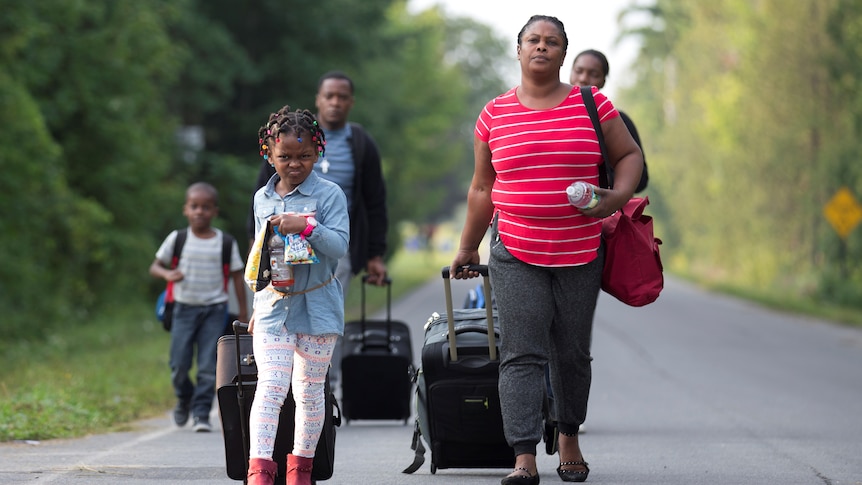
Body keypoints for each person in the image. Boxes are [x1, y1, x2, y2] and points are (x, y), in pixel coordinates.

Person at [449, 15, 643, 485]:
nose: (541, 47)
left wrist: (616, 198)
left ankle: (569, 435)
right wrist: (467, 247)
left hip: (580, 250)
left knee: (572, 352)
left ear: (563, 53)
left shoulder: (591, 103)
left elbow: (628, 155)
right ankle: (523, 455)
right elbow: (481, 188)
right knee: (521, 352)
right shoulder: (494, 113)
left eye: (551, 42)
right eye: (532, 40)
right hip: (515, 249)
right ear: (518, 51)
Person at [245, 106, 349, 485]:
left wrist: (307, 226)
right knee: (271, 387)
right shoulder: (262, 198)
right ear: (269, 154)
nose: (294, 164)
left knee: (308, 392)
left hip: (319, 306)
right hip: (274, 305)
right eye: (285, 156)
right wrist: (258, 303)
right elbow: (260, 254)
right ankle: (259, 473)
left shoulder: (331, 195)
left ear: (317, 152)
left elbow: (339, 246)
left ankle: (300, 471)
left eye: (304, 156)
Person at [249, 70, 388, 294]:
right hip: (281, 242)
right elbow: (264, 194)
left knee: (322, 300)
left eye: (342, 97)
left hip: (335, 242)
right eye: (329, 96)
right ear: (318, 99)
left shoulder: (361, 144)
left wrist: (375, 254)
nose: (335, 102)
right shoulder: (286, 137)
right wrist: (255, 245)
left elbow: (375, 201)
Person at [149, 182, 248, 432]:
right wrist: (168, 274)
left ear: (215, 211)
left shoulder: (225, 242)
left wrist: (245, 311)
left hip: (214, 311)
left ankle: (201, 412)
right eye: (194, 206)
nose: (199, 212)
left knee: (207, 364)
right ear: (186, 209)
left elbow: (238, 276)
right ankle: (184, 398)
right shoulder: (178, 238)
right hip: (183, 309)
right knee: (178, 364)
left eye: (206, 207)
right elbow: (155, 266)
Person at [570, 48, 649, 193]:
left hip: (603, 211)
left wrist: (600, 178)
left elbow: (641, 178)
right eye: (578, 71)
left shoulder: (617, 121)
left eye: (593, 74)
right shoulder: (552, 116)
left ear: (603, 81)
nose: (583, 78)